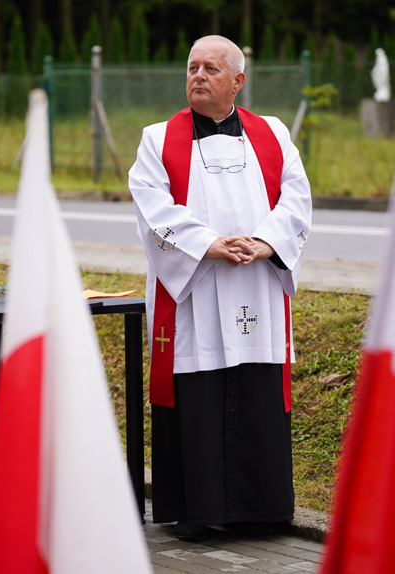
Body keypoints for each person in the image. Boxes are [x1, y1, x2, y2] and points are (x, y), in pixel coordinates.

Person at [128, 35, 312, 542]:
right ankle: (197, 511)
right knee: (200, 388)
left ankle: (263, 509)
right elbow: (150, 206)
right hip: (195, 293)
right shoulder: (157, 139)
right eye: (192, 67)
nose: (198, 76)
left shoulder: (272, 134)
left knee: (255, 390)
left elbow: (297, 199)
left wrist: (265, 242)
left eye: (211, 68)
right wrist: (207, 245)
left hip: (256, 283)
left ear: (238, 80)